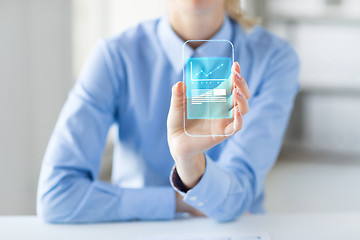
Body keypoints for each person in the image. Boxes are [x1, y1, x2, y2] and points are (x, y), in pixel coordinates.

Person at [37, 0, 299, 223]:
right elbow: (56, 196)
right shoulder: (115, 57)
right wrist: (179, 202)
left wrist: (190, 162)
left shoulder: (274, 58)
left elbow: (236, 199)